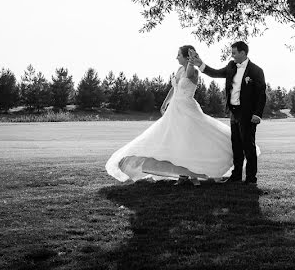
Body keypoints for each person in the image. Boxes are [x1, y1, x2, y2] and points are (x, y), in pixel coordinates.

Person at [105, 45, 236, 185]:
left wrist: (192, 60)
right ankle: (182, 174)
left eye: (179, 55)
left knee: (189, 140)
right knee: (176, 140)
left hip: (187, 108)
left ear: (186, 57)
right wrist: (165, 102)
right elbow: (174, 88)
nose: (176, 57)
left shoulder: (193, 71)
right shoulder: (179, 69)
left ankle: (193, 175)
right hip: (175, 109)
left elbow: (189, 74)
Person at [191, 41, 266, 184]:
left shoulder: (256, 71)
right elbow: (215, 73)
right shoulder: (231, 66)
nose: (232, 55)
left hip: (248, 114)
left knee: (248, 146)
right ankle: (236, 176)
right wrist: (200, 64)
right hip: (234, 112)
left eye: (234, 52)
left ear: (243, 53)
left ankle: (251, 179)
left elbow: (261, 94)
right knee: (236, 146)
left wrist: (257, 114)